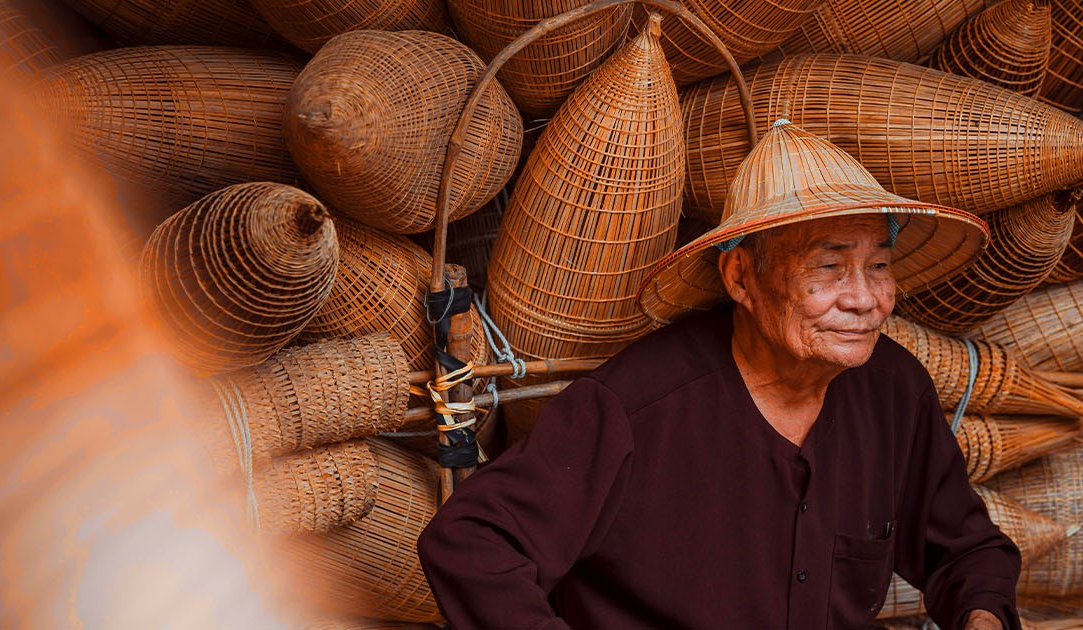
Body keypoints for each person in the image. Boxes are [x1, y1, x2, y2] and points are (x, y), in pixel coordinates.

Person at [418, 120, 1021, 629]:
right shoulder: (635, 408)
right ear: (741, 278)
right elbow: (471, 541)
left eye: (879, 267)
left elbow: (965, 550)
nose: (865, 299)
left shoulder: (893, 389)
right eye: (829, 268)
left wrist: (982, 616)